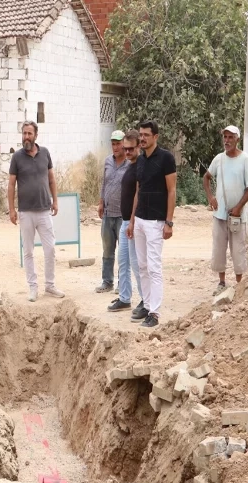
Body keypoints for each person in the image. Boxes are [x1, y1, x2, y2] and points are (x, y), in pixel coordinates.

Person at [7, 120, 66, 302]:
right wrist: (11, 209)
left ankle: (50, 285)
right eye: (24, 133)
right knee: (28, 252)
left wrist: (55, 201)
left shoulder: (45, 153)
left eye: (29, 133)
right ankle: (33, 287)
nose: (26, 137)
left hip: (44, 210)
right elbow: (11, 184)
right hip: (25, 212)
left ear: (36, 135)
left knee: (50, 249)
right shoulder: (17, 157)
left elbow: (52, 180)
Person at [127, 120, 176, 328]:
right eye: (141, 134)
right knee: (142, 265)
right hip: (139, 220)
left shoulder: (166, 158)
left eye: (146, 135)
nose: (143, 138)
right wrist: (131, 221)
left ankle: (154, 313)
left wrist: (169, 222)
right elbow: (138, 191)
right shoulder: (140, 161)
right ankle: (147, 305)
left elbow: (172, 191)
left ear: (156, 136)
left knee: (154, 267)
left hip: (156, 222)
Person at [203, 125, 248, 295]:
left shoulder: (245, 159)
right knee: (219, 248)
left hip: (237, 217)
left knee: (238, 249)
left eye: (230, 137)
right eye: (225, 137)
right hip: (220, 215)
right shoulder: (219, 159)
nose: (227, 141)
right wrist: (211, 197)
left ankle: (239, 285)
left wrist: (239, 207)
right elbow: (206, 177)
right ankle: (222, 282)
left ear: (237, 139)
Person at [108, 130, 147, 321]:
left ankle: (145, 301)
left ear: (138, 146)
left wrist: (132, 221)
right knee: (123, 261)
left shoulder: (140, 166)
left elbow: (138, 196)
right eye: (126, 148)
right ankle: (125, 297)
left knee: (136, 263)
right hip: (125, 221)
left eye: (131, 148)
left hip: (131, 222)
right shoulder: (131, 165)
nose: (128, 151)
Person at [96, 130, 129, 293]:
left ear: (124, 143)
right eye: (113, 144)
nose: (115, 147)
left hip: (123, 215)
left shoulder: (130, 163)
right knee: (107, 250)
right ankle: (107, 282)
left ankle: (122, 284)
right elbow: (104, 183)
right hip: (108, 213)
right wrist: (101, 202)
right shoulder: (108, 161)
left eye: (118, 143)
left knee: (124, 252)